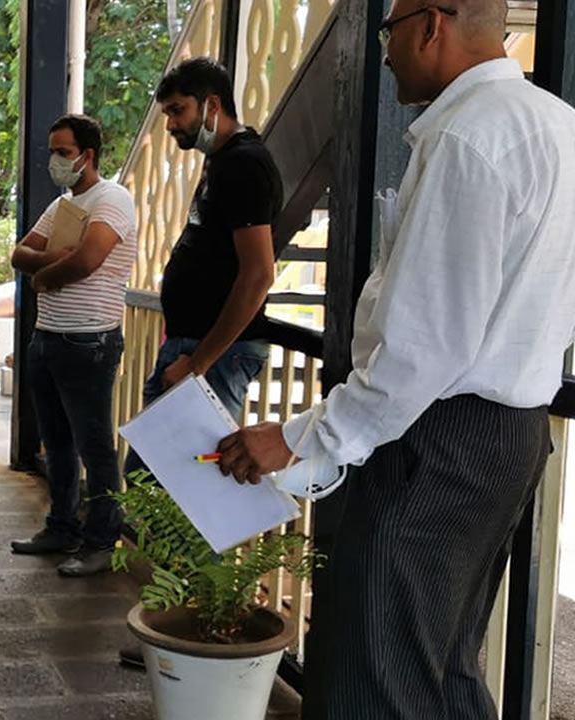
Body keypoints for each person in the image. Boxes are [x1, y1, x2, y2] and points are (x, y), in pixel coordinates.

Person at [216, 2, 575, 717]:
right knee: (441, 668)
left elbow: (425, 345)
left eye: (390, 31)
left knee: (374, 679)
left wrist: (302, 437)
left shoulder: (466, 137)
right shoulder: (558, 124)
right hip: (510, 434)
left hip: (439, 439)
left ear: (431, 25)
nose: (385, 51)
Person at [116, 57, 283, 669]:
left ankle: (198, 631)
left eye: (179, 112)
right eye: (167, 114)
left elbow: (258, 274)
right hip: (192, 348)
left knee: (185, 493)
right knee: (157, 486)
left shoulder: (245, 164)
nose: (172, 125)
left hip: (211, 355)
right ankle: (182, 620)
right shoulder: (222, 162)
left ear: (213, 105)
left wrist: (198, 362)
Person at [7, 114, 138, 577]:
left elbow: (88, 259)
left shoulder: (111, 198)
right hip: (47, 338)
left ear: (88, 155)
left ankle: (101, 540)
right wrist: (47, 261)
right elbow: (19, 252)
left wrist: (42, 277)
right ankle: (61, 526)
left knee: (95, 446)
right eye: (53, 152)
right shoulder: (64, 205)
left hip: (90, 341)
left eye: (63, 152)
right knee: (58, 443)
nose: (55, 161)